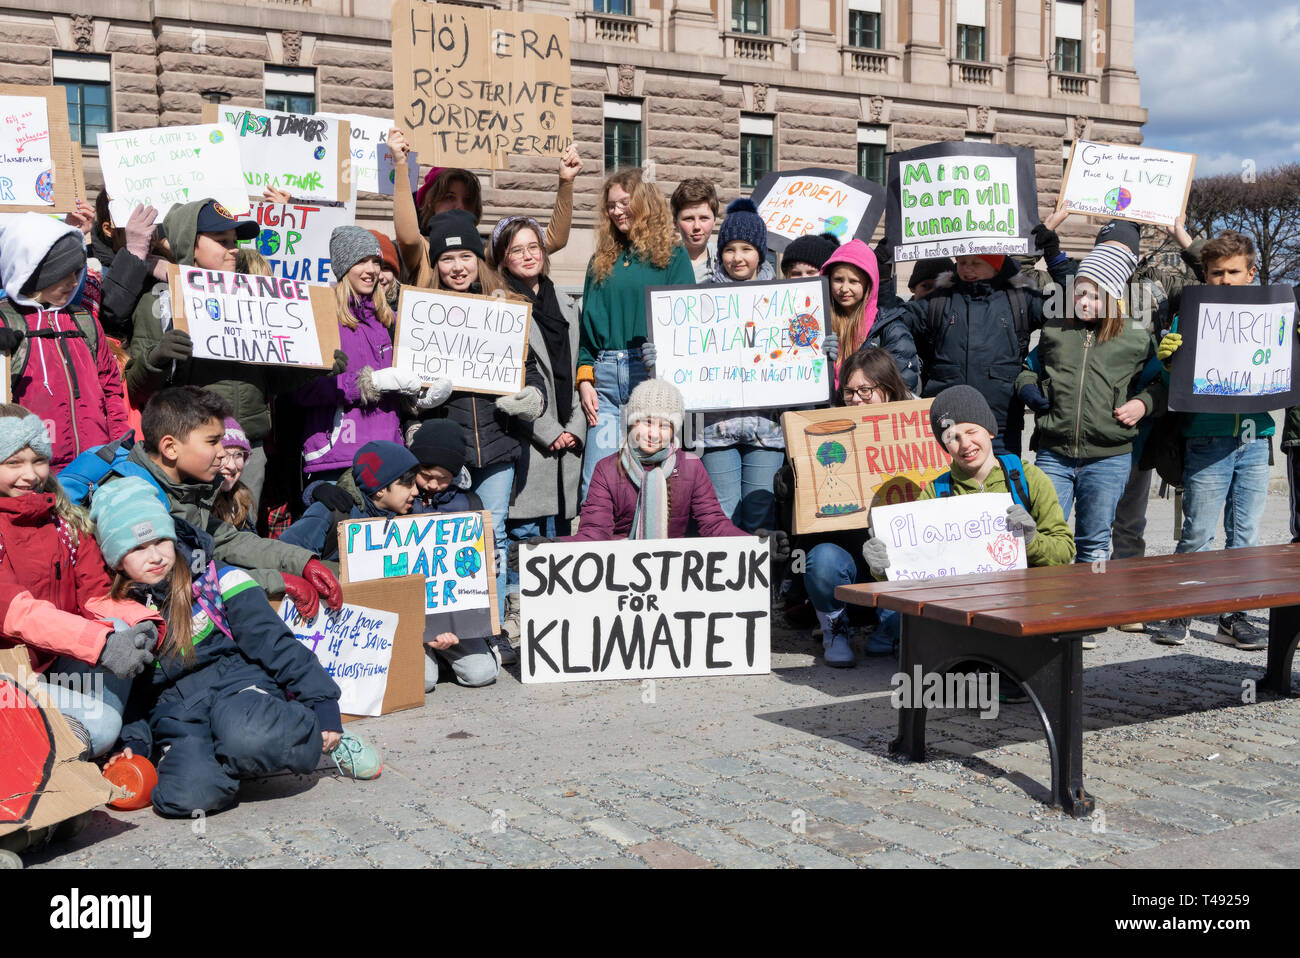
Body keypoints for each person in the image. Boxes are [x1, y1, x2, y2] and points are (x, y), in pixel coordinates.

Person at [95, 479, 380, 818]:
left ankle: (314, 738)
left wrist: (323, 704)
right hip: (177, 713)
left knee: (249, 736)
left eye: (160, 541)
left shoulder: (217, 580)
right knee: (183, 797)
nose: (155, 556)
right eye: (138, 548)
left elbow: (277, 645)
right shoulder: (112, 612)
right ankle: (228, 761)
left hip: (238, 687)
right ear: (115, 560)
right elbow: (132, 694)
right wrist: (135, 743)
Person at [125, 198, 344, 512]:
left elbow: (270, 380)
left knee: (243, 535)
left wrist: (316, 366)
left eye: (235, 241)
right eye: (222, 241)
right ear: (191, 245)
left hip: (248, 449)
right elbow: (137, 387)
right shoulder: (160, 301)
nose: (234, 249)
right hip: (191, 451)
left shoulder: (255, 299)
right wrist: (157, 359)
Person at [862, 385, 1075, 698]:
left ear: (988, 429)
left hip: (1022, 608)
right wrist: (881, 565)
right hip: (963, 613)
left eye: (971, 431)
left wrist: (1030, 541)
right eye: (952, 437)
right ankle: (967, 667)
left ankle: (1009, 667)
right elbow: (909, 570)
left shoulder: (1028, 478)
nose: (965, 444)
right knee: (931, 667)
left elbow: (1065, 551)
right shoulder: (934, 493)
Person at [411, 210, 547, 666]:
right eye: (447, 258)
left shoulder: (503, 308)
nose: (457, 267)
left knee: (493, 537)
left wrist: (530, 399)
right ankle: (441, 627)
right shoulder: (422, 315)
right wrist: (421, 402)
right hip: (450, 453)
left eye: (465, 255)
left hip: (499, 443)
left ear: (478, 259)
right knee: (449, 541)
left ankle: (491, 626)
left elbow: (530, 372)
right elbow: (406, 389)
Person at [91, 385, 342, 619]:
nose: (222, 452)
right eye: (213, 441)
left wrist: (303, 562)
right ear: (170, 448)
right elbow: (181, 581)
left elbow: (227, 540)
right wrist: (274, 579)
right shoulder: (130, 499)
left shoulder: (184, 486)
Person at [280, 440, 500, 693]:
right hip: (359, 620)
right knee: (423, 681)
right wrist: (317, 490)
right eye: (406, 484)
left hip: (425, 614)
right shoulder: (334, 511)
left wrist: (442, 626)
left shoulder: (410, 510)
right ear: (380, 490)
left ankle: (440, 657)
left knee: (482, 672)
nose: (416, 491)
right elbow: (286, 554)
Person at [0, 406, 155, 758]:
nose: (29, 474)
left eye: (38, 460)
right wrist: (102, 646)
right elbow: (17, 613)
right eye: (12, 463)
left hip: (47, 666)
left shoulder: (63, 523)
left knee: (118, 626)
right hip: (6, 673)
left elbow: (97, 598)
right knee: (100, 726)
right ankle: (63, 759)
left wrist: (142, 624)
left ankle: (73, 749)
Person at [1015, 219, 1165, 567]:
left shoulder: (1137, 336)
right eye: (1079, 292)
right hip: (1054, 452)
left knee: (1094, 540)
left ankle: (1088, 615)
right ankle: (1045, 613)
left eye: (1094, 295)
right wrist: (1029, 390)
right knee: (1043, 533)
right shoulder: (1057, 330)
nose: (1084, 301)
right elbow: (1027, 369)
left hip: (1109, 457)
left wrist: (1143, 404)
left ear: (1113, 296)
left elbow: (1161, 384)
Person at [1156, 231, 1280, 650]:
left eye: (1233, 271)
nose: (1224, 279)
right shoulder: (1189, 314)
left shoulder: (1272, 314)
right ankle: (1179, 612)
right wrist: (1169, 360)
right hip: (1206, 436)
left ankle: (1234, 616)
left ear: (1250, 272)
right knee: (1198, 532)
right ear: (1205, 275)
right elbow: (1174, 382)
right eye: (1216, 273)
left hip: (1255, 436)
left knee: (1244, 534)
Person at [774, 349, 913, 667]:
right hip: (847, 554)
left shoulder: (914, 427)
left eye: (866, 390)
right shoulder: (828, 432)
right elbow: (804, 515)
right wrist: (787, 485)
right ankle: (835, 628)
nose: (857, 399)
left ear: (888, 389)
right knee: (821, 561)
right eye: (850, 391)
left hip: (898, 552)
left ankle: (892, 629)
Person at [551, 380, 789, 560]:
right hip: (621, 570)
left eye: (664, 425)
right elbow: (595, 533)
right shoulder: (607, 469)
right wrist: (550, 548)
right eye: (646, 422)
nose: (654, 434)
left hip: (672, 570)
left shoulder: (691, 467)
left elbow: (714, 525)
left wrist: (757, 544)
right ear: (632, 423)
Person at [896, 216, 1071, 455]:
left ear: (996, 263)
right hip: (946, 425)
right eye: (962, 261)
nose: (967, 268)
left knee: (1000, 489)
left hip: (1000, 425)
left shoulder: (1019, 299)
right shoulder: (939, 300)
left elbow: (1070, 304)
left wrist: (1055, 257)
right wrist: (883, 267)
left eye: (976, 262)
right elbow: (891, 318)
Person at [492, 216, 587, 643]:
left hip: (572, 425)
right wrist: (549, 430)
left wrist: (576, 426)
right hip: (528, 436)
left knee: (563, 529)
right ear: (503, 259)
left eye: (534, 247)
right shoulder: (500, 306)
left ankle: (561, 617)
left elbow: (582, 365)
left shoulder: (566, 301)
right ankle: (519, 614)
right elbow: (509, 383)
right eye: (517, 250)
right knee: (526, 532)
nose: (528, 256)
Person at [577, 168, 695, 497]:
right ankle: (598, 547)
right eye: (611, 205)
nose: (616, 211)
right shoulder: (600, 260)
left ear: (644, 203)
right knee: (595, 483)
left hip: (648, 376)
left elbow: (685, 323)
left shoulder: (672, 255)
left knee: (649, 480)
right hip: (605, 381)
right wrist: (584, 378)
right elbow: (587, 329)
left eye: (624, 203)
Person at [687, 198, 801, 531]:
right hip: (716, 429)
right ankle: (723, 583)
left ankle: (762, 584)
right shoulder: (699, 295)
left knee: (760, 515)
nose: (738, 257)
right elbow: (686, 352)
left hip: (766, 429)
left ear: (760, 252)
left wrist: (820, 350)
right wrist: (660, 355)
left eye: (747, 248)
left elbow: (799, 354)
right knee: (722, 516)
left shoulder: (784, 297)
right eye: (730, 249)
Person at [0, 213, 130, 471]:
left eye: (76, 272)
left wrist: (120, 446)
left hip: (97, 465)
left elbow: (111, 389)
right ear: (34, 273)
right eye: (64, 273)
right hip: (32, 472)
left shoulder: (85, 322)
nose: (74, 281)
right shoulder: (7, 323)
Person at [295, 226, 424, 484]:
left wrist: (419, 394)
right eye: (361, 261)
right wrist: (367, 383)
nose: (371, 270)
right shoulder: (321, 316)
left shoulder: (388, 319)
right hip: (339, 454)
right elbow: (302, 390)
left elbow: (401, 378)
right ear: (344, 266)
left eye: (376, 262)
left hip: (387, 452)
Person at [388, 130, 582, 283]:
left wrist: (566, 182)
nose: (459, 206)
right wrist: (400, 164)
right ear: (430, 201)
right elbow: (408, 237)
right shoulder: (421, 250)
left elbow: (554, 240)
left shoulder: (484, 251)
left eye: (468, 199)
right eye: (449, 197)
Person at [821, 239, 920, 393]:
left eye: (854, 281)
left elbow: (903, 387)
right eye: (838, 280)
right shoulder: (818, 324)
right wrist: (818, 360)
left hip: (873, 415)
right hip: (824, 416)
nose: (844, 288)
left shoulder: (891, 329)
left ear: (868, 284)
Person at [671, 178, 719, 282]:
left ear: (714, 220)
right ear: (675, 223)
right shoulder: (664, 262)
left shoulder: (725, 261)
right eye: (689, 219)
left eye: (704, 218)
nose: (697, 226)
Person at [212, 417, 256, 531]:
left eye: (239, 455)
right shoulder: (196, 507)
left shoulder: (240, 499)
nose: (231, 466)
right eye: (223, 455)